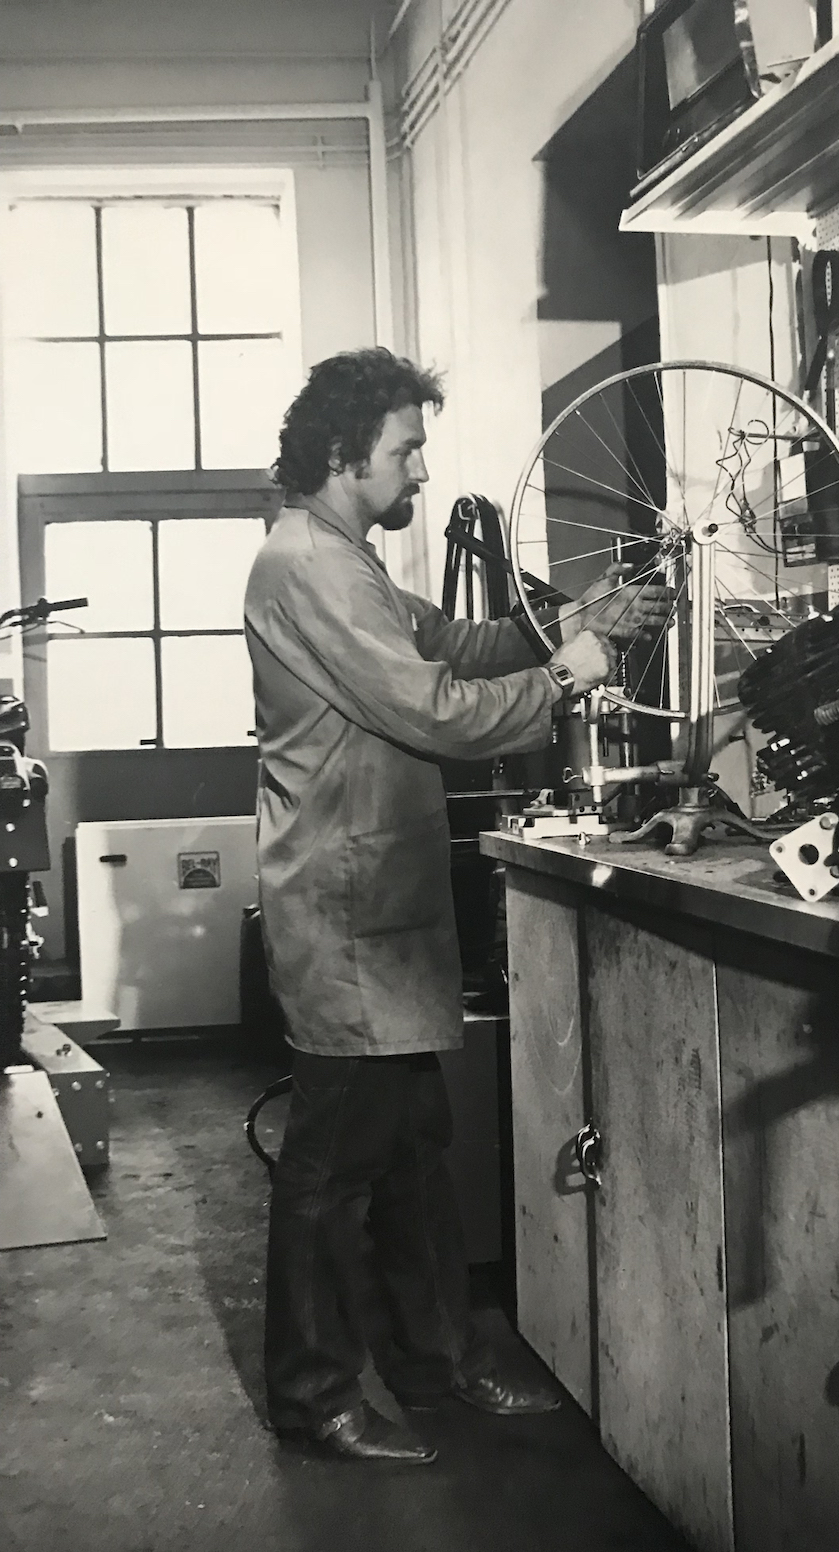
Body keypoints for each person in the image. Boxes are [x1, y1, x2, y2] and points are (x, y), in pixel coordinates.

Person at [243, 348, 667, 1466]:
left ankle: (436, 1362)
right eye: (407, 449)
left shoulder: (348, 560)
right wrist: (568, 674)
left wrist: (576, 617)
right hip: (343, 916)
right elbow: (433, 707)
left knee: (414, 1151)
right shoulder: (306, 565)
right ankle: (314, 1395)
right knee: (331, 1167)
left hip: (378, 908)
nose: (422, 470)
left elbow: (451, 642)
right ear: (347, 455)